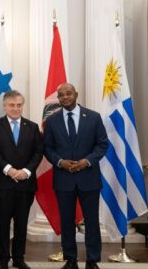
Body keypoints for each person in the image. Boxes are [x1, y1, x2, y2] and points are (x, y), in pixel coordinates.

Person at [43, 83, 108, 269]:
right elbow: (47, 147)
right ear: (58, 98)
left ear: (76, 94)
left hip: (89, 177)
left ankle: (92, 260)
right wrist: (60, 162)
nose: (65, 97)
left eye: (69, 93)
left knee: (92, 221)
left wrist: (87, 161)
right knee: (66, 221)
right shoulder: (52, 120)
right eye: (61, 95)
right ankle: (70, 259)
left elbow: (102, 144)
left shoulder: (93, 117)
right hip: (64, 179)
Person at [0, 91, 43, 269]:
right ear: (5, 106)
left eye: (19, 105)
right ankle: (3, 259)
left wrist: (26, 171)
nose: (16, 108)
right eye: (12, 105)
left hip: (26, 183)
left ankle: (19, 258)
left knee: (21, 223)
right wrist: (9, 169)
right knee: (3, 223)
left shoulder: (32, 127)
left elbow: (38, 152)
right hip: (2, 182)